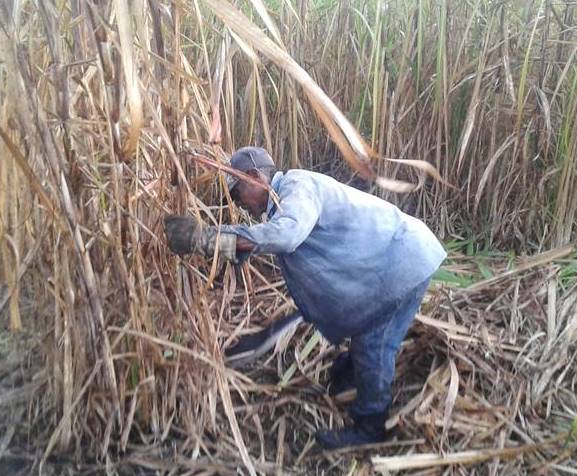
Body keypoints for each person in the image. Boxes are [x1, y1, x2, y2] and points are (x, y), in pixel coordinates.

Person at [164, 147, 446, 449]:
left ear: (254, 177)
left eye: (237, 195)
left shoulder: (297, 186)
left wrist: (206, 238)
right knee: (367, 341)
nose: (240, 205)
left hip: (401, 260)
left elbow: (286, 236)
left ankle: (370, 428)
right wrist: (215, 242)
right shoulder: (283, 202)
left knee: (374, 343)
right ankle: (351, 377)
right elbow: (270, 239)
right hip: (395, 260)